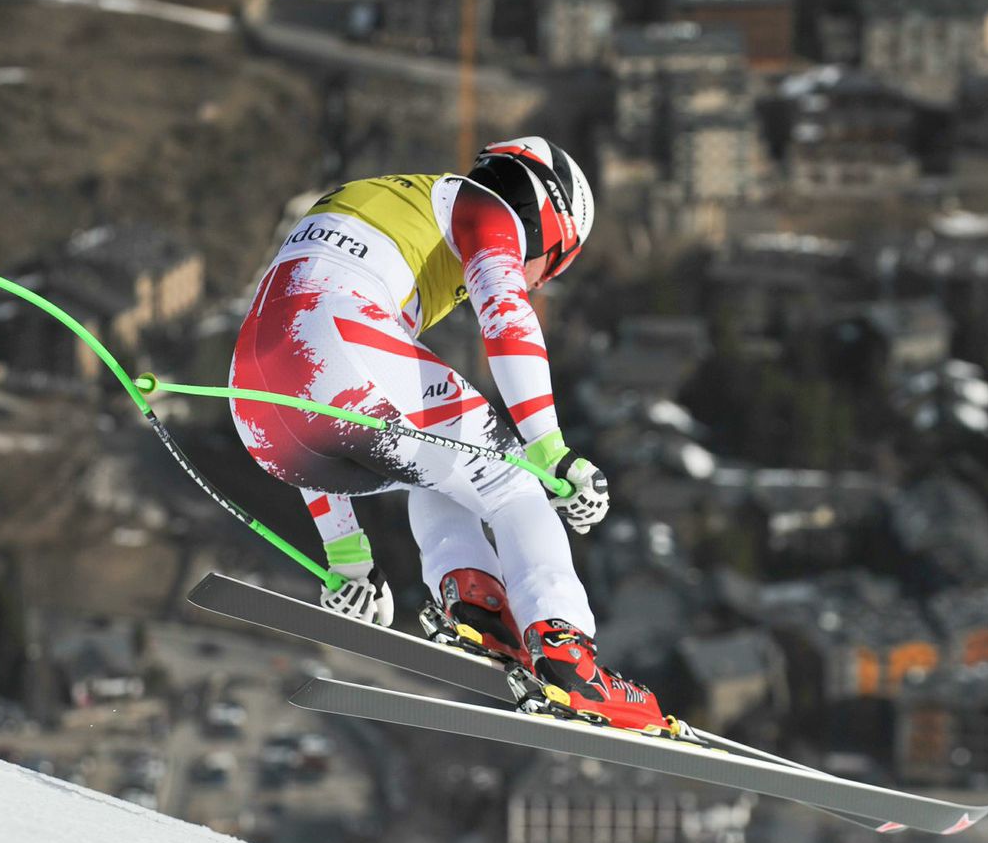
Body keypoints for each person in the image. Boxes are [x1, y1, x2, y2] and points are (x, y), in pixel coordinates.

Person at [228, 137, 671, 733]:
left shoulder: (394, 205)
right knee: (514, 482)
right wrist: (550, 451)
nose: (539, 279)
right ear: (547, 218)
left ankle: (478, 602)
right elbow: (506, 316)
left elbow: (302, 387)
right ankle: (571, 660)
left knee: (442, 462)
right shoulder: (485, 207)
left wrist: (350, 561)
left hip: (253, 403)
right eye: (555, 262)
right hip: (341, 346)